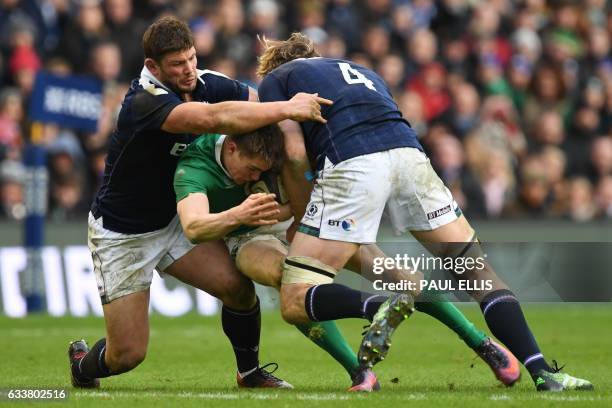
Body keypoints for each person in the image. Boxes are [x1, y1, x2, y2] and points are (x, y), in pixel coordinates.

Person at [256, 33, 593, 392]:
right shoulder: (360, 69)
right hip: (411, 157)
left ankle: (381, 305)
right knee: (478, 274)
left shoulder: (277, 80)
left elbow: (293, 153)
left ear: (275, 65)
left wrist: (303, 214)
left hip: (353, 165)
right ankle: (544, 372)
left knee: (295, 299)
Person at [67, 17, 331, 390]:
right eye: (177, 64)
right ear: (152, 67)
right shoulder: (142, 102)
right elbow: (214, 117)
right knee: (126, 355)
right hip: (123, 233)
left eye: (191, 58)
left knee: (237, 288)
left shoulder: (207, 82)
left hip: (174, 221)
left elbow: (261, 105)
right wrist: (289, 108)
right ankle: (81, 364)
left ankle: (249, 372)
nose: (188, 69)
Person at [173, 125, 524, 391]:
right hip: (248, 236)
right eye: (250, 170)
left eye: (261, 172)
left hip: (307, 220)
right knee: (289, 281)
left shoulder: (286, 138)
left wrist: (294, 211)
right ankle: (359, 369)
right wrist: (241, 216)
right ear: (231, 147)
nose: (254, 177)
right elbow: (195, 226)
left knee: (400, 277)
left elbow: (308, 181)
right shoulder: (196, 166)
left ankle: (480, 341)